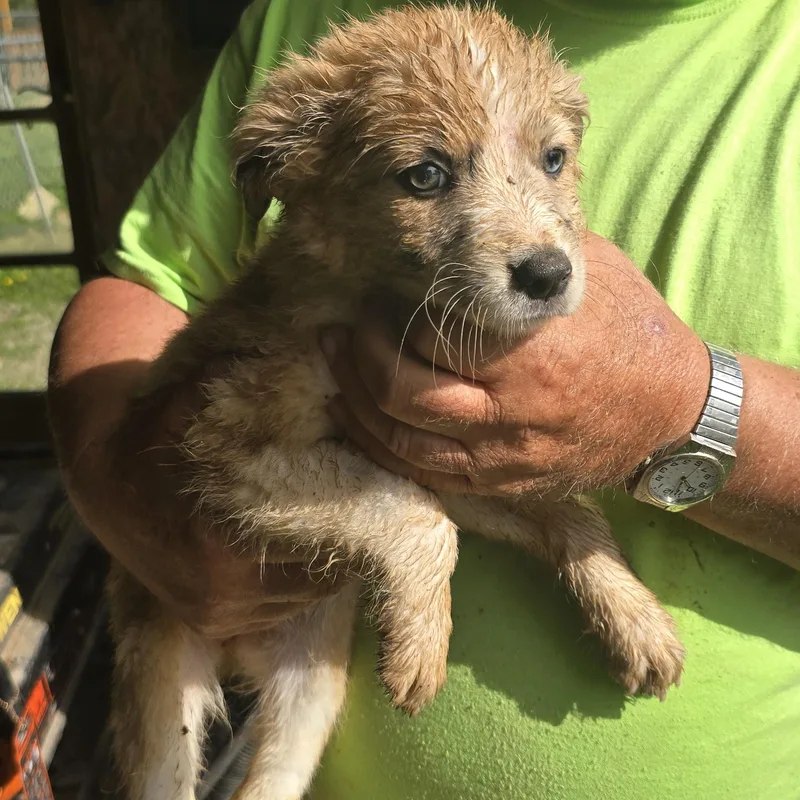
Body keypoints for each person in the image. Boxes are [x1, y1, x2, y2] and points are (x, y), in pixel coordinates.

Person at [48, 0, 800, 797]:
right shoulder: (308, 23)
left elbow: (437, 466)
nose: (539, 242)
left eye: (553, 159)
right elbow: (149, 287)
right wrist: (117, 492)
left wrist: (680, 414)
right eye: (426, 176)